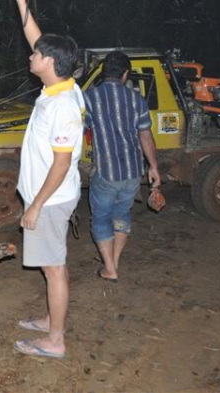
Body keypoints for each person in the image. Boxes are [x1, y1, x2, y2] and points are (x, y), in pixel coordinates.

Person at [11, 0, 85, 359]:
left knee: (53, 267)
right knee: (51, 264)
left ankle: (55, 341)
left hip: (51, 200)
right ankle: (50, 321)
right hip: (50, 196)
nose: (31, 56)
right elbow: (36, 39)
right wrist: (22, 1)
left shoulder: (63, 106)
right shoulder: (62, 85)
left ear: (51, 63)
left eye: (37, 54)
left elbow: (60, 164)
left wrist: (36, 205)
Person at [83, 50, 160, 282]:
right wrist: (153, 168)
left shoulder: (89, 97)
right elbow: (146, 136)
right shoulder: (137, 99)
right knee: (121, 213)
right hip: (133, 172)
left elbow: (77, 130)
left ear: (104, 72)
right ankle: (113, 262)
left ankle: (110, 267)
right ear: (125, 74)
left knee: (101, 217)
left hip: (106, 172)